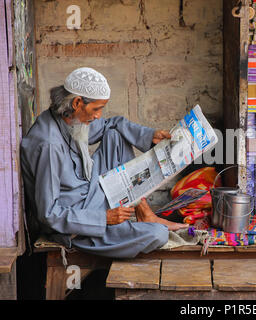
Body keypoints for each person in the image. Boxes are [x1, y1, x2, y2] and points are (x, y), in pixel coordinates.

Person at [20, 67, 189, 259]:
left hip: (88, 191)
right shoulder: (48, 145)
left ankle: (144, 212)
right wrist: (104, 218)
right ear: (77, 103)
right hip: (76, 221)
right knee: (158, 234)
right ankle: (122, 227)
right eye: (96, 109)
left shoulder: (68, 118)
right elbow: (49, 214)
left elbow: (113, 125)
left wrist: (150, 135)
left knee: (116, 135)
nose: (99, 115)